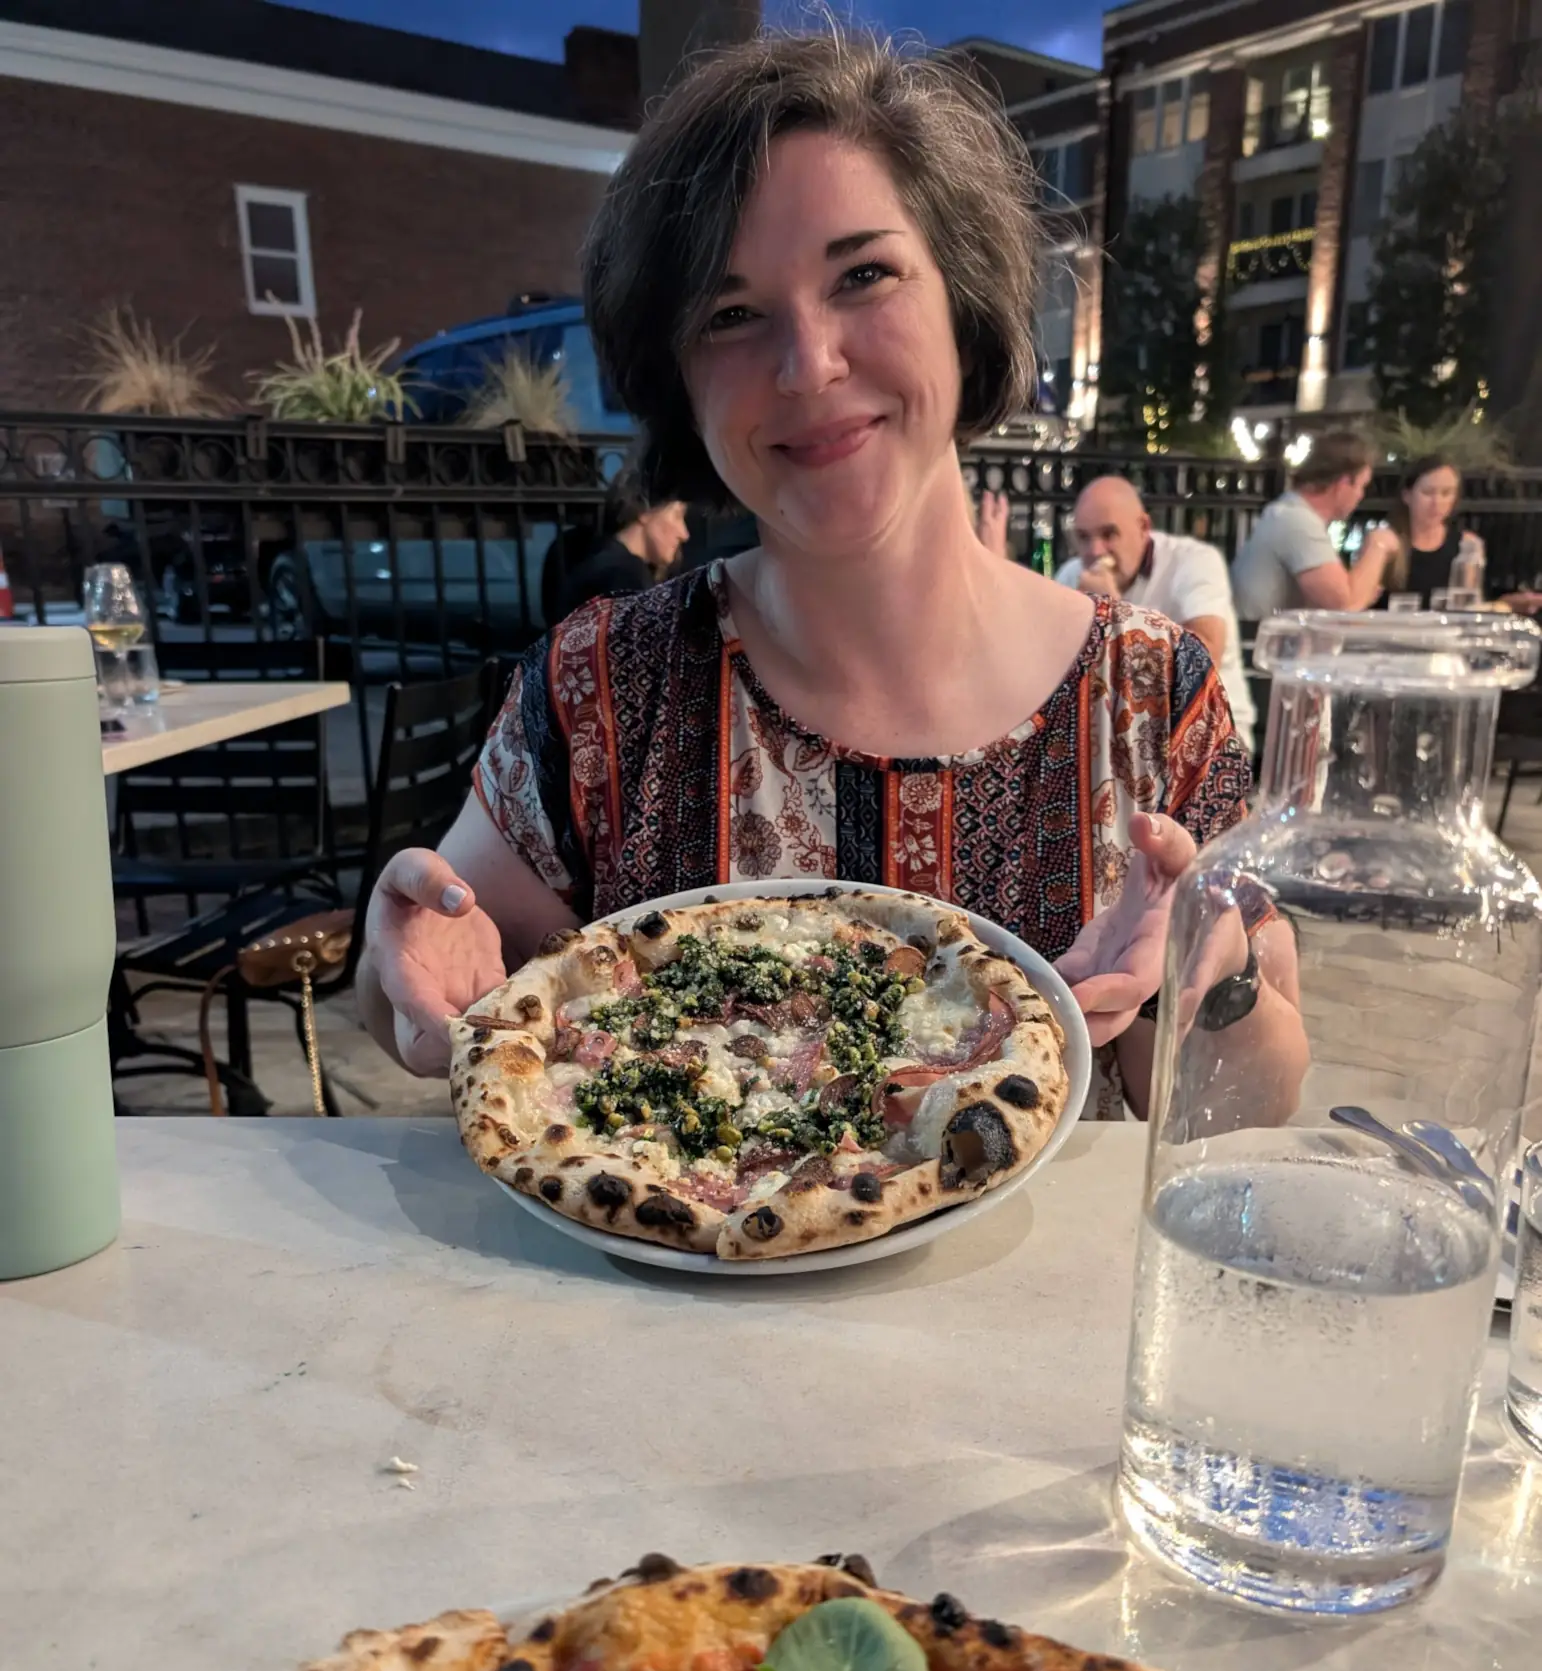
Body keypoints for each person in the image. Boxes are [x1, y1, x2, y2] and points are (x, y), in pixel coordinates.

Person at [359, 33, 1305, 1120]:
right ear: (678, 381)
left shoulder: (1153, 695)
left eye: (863, 275)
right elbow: (434, 986)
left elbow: (1256, 1106)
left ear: (964, 298)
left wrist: (1209, 978)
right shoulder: (602, 689)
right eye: (730, 315)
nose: (809, 365)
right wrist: (406, 963)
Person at [1048, 478, 1254, 755]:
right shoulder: (1072, 575)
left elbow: (1203, 660)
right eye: (1084, 537)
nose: (1095, 551)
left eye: (1109, 534)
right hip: (1116, 741)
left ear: (1143, 527)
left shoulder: (1194, 562)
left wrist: (1113, 613)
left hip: (1206, 732)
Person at [1230, 429, 1398, 620]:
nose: (1361, 495)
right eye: (1361, 486)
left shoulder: (1290, 513)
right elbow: (1343, 606)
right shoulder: (1297, 521)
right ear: (1343, 483)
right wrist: (1378, 544)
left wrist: (1360, 589)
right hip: (1258, 638)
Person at [540, 481, 690, 624]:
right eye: (677, 515)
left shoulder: (603, 561)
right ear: (644, 512)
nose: (684, 534)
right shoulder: (624, 576)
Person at [1374, 454, 1472, 610]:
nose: (1436, 502)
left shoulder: (1466, 544)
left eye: (1446, 493)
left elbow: (1469, 606)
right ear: (1407, 495)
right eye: (1427, 492)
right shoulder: (1384, 542)